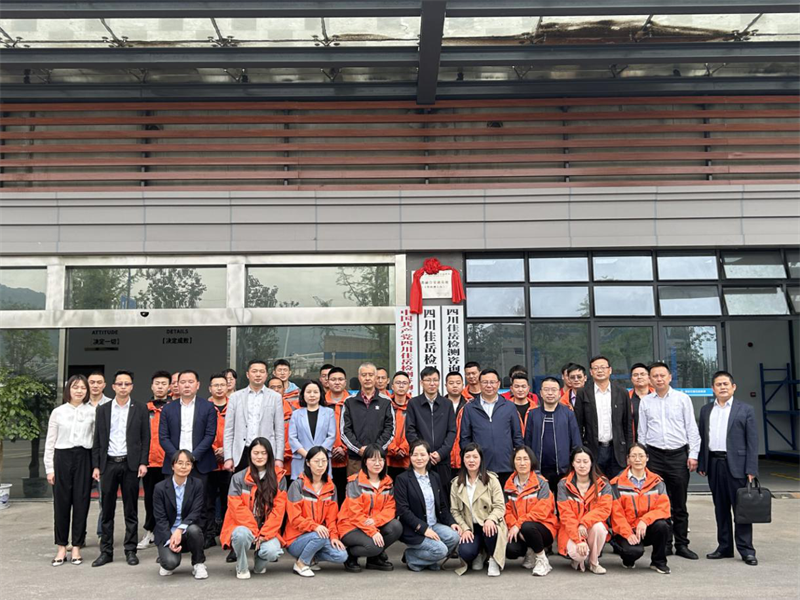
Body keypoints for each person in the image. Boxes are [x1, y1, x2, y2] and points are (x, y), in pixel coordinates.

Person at [638, 361, 701, 560]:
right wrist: (642, 458)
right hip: (654, 456)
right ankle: (665, 545)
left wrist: (693, 454)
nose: (659, 379)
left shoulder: (682, 399)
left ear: (670, 377)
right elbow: (642, 432)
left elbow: (691, 428)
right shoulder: (646, 402)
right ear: (650, 379)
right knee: (659, 503)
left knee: (679, 503)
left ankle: (682, 544)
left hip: (677, 456)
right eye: (655, 376)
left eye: (662, 375)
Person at [698, 371, 759, 566]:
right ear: (713, 388)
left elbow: (752, 441)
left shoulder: (745, 410)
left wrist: (751, 468)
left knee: (741, 509)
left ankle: (746, 550)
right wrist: (702, 463)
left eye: (726, 384)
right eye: (718, 384)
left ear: (733, 387)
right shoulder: (706, 410)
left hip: (738, 466)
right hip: (714, 464)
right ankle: (724, 547)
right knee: (720, 508)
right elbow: (703, 438)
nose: (722, 387)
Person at [91, 370, 150, 567]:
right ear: (113, 386)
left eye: (127, 384)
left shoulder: (140, 408)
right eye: (120, 384)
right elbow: (97, 440)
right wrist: (96, 466)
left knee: (130, 509)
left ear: (132, 386)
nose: (123, 387)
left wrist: (143, 462)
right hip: (108, 463)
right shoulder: (103, 409)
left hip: (130, 464)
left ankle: (130, 550)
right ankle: (106, 551)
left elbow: (146, 438)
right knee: (106, 510)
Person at [45, 374, 95, 566]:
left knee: (82, 503)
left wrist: (96, 466)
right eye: (75, 387)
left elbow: (96, 440)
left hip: (84, 458)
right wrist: (50, 468)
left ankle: (76, 547)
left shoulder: (93, 412)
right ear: (68, 389)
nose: (79, 391)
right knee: (61, 504)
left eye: (83, 387)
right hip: (62, 458)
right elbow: (50, 442)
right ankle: (61, 547)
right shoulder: (58, 412)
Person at [159, 370, 217, 534]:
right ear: (177, 385)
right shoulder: (168, 409)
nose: (186, 385)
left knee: (201, 502)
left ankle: (200, 537)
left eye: (190, 382)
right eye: (183, 382)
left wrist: (192, 457)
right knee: (173, 503)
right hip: (174, 462)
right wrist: (178, 459)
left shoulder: (208, 407)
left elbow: (210, 435)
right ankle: (173, 537)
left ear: (198, 385)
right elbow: (163, 437)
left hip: (200, 462)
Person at [220, 438, 287, 579]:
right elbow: (236, 509)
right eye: (256, 453)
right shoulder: (238, 478)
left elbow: (278, 512)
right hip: (244, 526)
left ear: (269, 455)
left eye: (263, 453)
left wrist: (264, 535)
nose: (259, 456)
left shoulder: (279, 478)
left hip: (267, 528)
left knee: (272, 551)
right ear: (250, 455)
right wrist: (255, 531)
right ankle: (242, 566)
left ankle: (259, 561)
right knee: (240, 534)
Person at [394, 439, 461, 571]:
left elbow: (442, 505)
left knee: (454, 537)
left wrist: (452, 522)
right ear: (410, 457)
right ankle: (411, 557)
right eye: (415, 455)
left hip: (433, 525)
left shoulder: (434, 477)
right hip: (413, 528)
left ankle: (425, 561)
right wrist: (423, 529)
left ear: (429, 456)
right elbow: (403, 510)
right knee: (441, 550)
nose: (419, 458)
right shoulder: (402, 479)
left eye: (423, 454)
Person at [338, 444, 402, 572]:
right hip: (351, 526)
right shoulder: (355, 482)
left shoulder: (387, 482)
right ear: (365, 462)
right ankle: (350, 555)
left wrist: (375, 521)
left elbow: (390, 509)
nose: (377, 463)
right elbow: (354, 514)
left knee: (396, 526)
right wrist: (372, 532)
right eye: (373, 460)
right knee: (374, 546)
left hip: (372, 523)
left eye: (381, 460)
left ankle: (374, 559)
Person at [285, 446, 348, 577]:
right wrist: (315, 527)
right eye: (316, 461)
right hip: (296, 539)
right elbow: (295, 518)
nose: (320, 465)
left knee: (341, 555)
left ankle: (311, 558)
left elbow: (331, 518)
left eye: (324, 461)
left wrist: (334, 536)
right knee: (320, 535)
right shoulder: (297, 485)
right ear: (308, 463)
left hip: (319, 536)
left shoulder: (331, 487)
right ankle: (301, 563)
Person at [610, 444, 671, 574]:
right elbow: (616, 515)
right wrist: (628, 533)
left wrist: (644, 520)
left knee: (663, 526)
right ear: (628, 459)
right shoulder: (617, 483)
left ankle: (658, 562)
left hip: (646, 528)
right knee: (633, 552)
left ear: (647, 458)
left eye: (641, 456)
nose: (637, 459)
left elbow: (664, 509)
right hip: (626, 530)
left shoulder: (657, 482)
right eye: (633, 456)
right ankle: (627, 558)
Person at [450, 443, 508, 577]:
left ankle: (493, 558)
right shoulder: (456, 483)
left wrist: (491, 519)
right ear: (463, 459)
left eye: (475, 457)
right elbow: (455, 510)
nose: (471, 460)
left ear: (481, 459)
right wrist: (465, 528)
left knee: (490, 531)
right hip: (471, 527)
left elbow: (500, 506)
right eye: (468, 457)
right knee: (466, 552)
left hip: (489, 524)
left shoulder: (491, 480)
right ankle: (479, 553)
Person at [459, 369, 523, 486]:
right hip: (480, 467)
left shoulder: (509, 407)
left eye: (492, 382)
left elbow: (517, 437)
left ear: (498, 384)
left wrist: (518, 461)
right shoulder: (469, 408)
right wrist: (470, 460)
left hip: (506, 466)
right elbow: (465, 438)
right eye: (485, 382)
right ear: (479, 384)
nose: (489, 386)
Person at [574, 355, 633, 479]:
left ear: (610, 370)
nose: (599, 371)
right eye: (596, 368)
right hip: (593, 449)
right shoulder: (583, 393)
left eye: (603, 367)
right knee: (596, 485)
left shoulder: (622, 392)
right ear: (591, 372)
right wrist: (580, 450)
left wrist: (629, 451)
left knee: (617, 484)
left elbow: (627, 425)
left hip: (617, 450)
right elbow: (578, 425)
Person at [153, 450, 208, 579]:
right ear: (173, 466)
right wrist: (170, 539)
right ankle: (165, 558)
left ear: (192, 467)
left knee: (194, 530)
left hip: (187, 530)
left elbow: (196, 511)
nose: (184, 467)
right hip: (168, 532)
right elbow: (160, 518)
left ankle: (198, 563)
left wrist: (179, 529)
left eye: (188, 464)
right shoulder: (160, 488)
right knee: (170, 564)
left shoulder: (197, 484)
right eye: (180, 463)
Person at [557, 446, 613, 574]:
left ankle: (594, 563)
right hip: (571, 529)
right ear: (572, 463)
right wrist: (579, 540)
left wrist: (584, 523)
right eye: (578, 461)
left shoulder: (603, 483)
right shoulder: (563, 484)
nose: (582, 465)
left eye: (585, 461)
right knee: (580, 554)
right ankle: (578, 560)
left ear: (591, 463)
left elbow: (604, 509)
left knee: (599, 527)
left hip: (590, 527)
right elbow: (566, 516)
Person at [504, 446, 557, 576]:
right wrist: (513, 525)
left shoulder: (541, 483)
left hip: (543, 528)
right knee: (510, 549)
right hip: (520, 529)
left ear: (531, 461)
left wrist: (518, 525)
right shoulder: (509, 485)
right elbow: (507, 511)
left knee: (527, 527)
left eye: (525, 459)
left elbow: (542, 512)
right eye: (518, 459)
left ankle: (542, 559)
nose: (522, 463)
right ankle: (530, 551)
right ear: (513, 462)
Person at [224, 359, 285, 473]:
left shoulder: (275, 397)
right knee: (241, 483)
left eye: (262, 371)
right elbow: (229, 430)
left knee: (266, 483)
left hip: (266, 452)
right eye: (254, 371)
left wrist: (279, 458)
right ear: (248, 374)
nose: (258, 374)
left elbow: (279, 431)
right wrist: (228, 457)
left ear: (266, 375)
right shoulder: (235, 397)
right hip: (241, 452)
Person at [524, 376, 582, 495]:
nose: (550, 393)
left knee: (562, 500)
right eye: (546, 389)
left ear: (559, 393)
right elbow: (527, 443)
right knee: (542, 501)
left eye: (553, 390)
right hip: (539, 469)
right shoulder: (533, 414)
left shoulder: (568, 414)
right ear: (541, 393)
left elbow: (576, 442)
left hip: (563, 469)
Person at [406, 367, 457, 490]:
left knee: (443, 494)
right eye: (428, 380)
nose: (432, 383)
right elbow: (410, 431)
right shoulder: (413, 403)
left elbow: (452, 431)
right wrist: (423, 453)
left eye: (435, 380)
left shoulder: (447, 404)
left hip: (442, 460)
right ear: (421, 382)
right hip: (420, 460)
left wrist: (441, 453)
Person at [341, 362, 395, 477]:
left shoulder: (386, 402)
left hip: (378, 459)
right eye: (364, 375)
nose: (367, 378)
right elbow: (345, 430)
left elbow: (390, 429)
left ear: (375, 377)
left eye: (371, 375)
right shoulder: (349, 401)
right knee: (354, 487)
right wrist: (359, 449)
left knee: (379, 486)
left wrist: (375, 450)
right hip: (355, 458)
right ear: (359, 377)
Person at [138, 370, 172, 551]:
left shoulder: (175, 408)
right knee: (150, 499)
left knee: (170, 499)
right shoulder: (143, 409)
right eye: (157, 383)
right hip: (150, 462)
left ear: (169, 387)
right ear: (152, 386)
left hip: (170, 461)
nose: (160, 387)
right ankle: (149, 530)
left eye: (163, 384)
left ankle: (168, 533)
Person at [289, 380, 336, 480]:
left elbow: (331, 436)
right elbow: (292, 438)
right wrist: (308, 455)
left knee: (323, 485)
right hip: (301, 459)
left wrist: (318, 455)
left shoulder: (329, 413)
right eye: (308, 392)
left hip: (322, 461)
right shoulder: (296, 414)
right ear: (303, 394)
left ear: (320, 394)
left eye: (315, 392)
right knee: (300, 486)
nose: (312, 395)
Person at [205, 372, 231, 547]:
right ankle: (208, 535)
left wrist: (227, 450)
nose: (219, 388)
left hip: (230, 462)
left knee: (229, 501)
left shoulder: (235, 407)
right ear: (210, 388)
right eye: (216, 385)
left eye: (222, 385)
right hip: (209, 460)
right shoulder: (203, 407)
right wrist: (214, 450)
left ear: (228, 387)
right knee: (208, 501)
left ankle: (227, 535)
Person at [87, 370, 111, 540]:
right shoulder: (80, 404)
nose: (95, 385)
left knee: (104, 496)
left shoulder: (111, 404)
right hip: (83, 454)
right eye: (92, 382)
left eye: (99, 382)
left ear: (105, 385)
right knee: (80, 498)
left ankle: (103, 533)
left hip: (104, 455)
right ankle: (78, 535)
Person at [325, 367, 350, 503]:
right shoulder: (321, 402)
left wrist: (344, 449)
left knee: (347, 495)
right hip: (325, 458)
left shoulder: (353, 402)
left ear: (345, 382)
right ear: (327, 382)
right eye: (333, 379)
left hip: (349, 458)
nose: (337, 382)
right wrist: (330, 449)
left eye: (340, 379)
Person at [386, 371, 411, 480]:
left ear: (409, 386)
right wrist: (394, 449)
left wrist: (403, 449)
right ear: (392, 386)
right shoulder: (386, 405)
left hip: (408, 459)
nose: (401, 386)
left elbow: (416, 431)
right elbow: (381, 430)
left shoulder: (414, 406)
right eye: (398, 383)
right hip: (387, 459)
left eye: (404, 383)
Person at [444, 371, 470, 472]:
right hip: (443, 458)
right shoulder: (439, 405)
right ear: (446, 385)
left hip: (465, 458)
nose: (455, 386)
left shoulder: (470, 406)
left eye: (458, 383)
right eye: (451, 383)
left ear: (463, 385)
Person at [629, 363, 652, 437]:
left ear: (649, 377)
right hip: (633, 441)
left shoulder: (657, 396)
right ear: (631, 379)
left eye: (642, 374)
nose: (639, 377)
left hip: (655, 441)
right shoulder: (626, 398)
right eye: (635, 375)